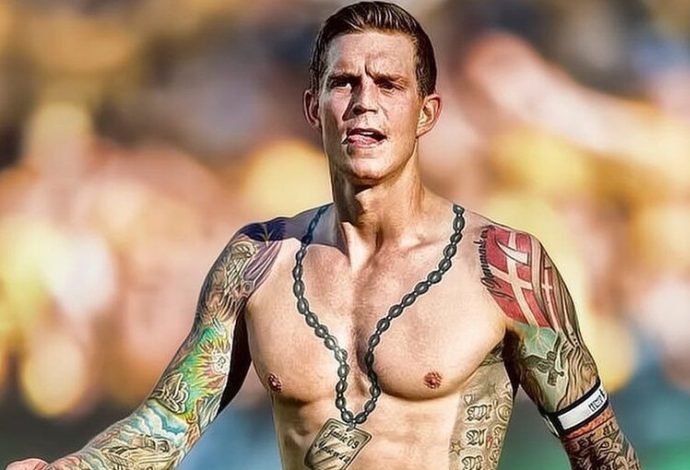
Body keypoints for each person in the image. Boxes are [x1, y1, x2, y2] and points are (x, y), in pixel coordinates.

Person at [8, 2, 641, 469]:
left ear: (427, 113)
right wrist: (75, 467)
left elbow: (599, 451)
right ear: (315, 107)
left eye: (389, 84)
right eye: (344, 83)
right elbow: (170, 422)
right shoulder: (257, 262)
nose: (365, 101)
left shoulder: (502, 266)